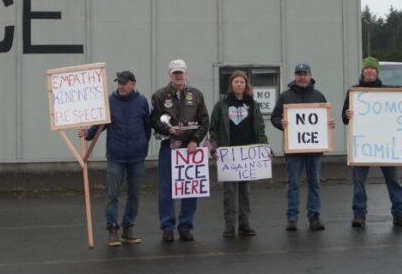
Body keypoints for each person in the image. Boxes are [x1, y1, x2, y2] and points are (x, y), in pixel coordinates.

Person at [79, 70, 151, 247]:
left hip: (137, 156)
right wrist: (87, 134)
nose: (121, 86)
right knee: (112, 194)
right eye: (119, 82)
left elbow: (147, 127)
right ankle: (112, 229)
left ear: (133, 84)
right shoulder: (109, 102)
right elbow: (99, 125)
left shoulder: (142, 102)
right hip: (116, 156)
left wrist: (142, 145)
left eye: (124, 83)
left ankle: (128, 228)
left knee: (134, 195)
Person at [341, 57, 402, 228]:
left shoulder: (387, 91)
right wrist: (347, 114)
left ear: (377, 72)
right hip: (362, 145)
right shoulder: (354, 92)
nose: (369, 71)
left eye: (372, 69)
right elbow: (344, 118)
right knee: (359, 181)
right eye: (366, 69)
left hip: (385, 145)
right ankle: (359, 214)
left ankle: (399, 213)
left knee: (393, 180)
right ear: (362, 71)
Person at [150, 59, 210, 242]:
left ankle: (185, 226)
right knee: (167, 189)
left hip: (190, 150)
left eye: (181, 72)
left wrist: (194, 140)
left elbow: (204, 121)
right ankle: (167, 227)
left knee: (190, 188)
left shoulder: (197, 95)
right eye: (175, 73)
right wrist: (167, 130)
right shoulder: (159, 96)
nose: (178, 76)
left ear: (186, 74)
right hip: (169, 147)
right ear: (170, 75)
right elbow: (153, 120)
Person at [272, 63, 334, 231]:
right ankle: (292, 218)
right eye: (299, 74)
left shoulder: (319, 95)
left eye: (304, 73)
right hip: (294, 150)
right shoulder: (286, 96)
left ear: (310, 75)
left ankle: (314, 216)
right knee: (293, 183)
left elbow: (325, 118)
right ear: (294, 76)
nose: (302, 77)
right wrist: (281, 123)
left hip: (314, 149)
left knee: (315, 183)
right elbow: (274, 117)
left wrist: (329, 124)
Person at [209, 70, 272, 238]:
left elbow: (260, 129)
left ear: (246, 85)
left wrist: (265, 147)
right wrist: (213, 148)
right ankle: (229, 226)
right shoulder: (221, 105)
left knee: (245, 192)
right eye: (236, 81)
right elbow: (213, 129)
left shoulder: (252, 104)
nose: (239, 84)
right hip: (229, 155)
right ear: (231, 84)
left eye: (242, 82)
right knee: (229, 193)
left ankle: (245, 224)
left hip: (248, 156)